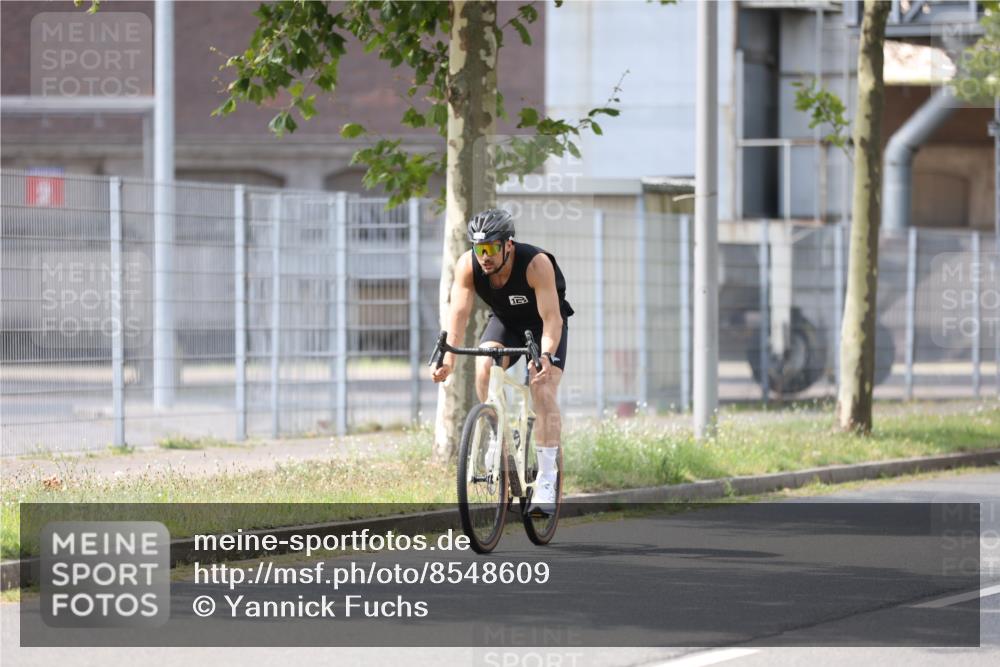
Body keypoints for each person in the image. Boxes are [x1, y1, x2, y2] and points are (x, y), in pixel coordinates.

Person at [430, 208, 573, 515]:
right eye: (479, 248)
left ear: (508, 244)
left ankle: (547, 478)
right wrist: (449, 360)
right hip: (506, 322)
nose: (485, 256)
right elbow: (458, 316)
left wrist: (546, 355)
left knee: (542, 387)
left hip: (543, 327)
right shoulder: (468, 266)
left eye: (492, 248)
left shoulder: (536, 264)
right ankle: (499, 438)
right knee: (485, 366)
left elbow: (552, 320)